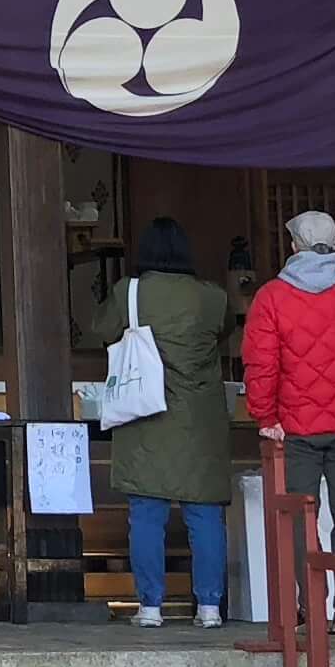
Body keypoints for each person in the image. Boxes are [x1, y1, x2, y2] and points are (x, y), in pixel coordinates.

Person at [80, 216, 239, 627]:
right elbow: (224, 332)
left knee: (146, 514)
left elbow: (101, 329)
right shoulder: (211, 297)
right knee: (204, 515)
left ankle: (150, 607)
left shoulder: (129, 292)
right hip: (199, 420)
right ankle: (208, 607)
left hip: (144, 413)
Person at [242, 206, 335, 591]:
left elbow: (261, 363)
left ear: (294, 247)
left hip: (296, 427)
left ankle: (312, 600)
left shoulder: (272, 296)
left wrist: (264, 416)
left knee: (300, 517)